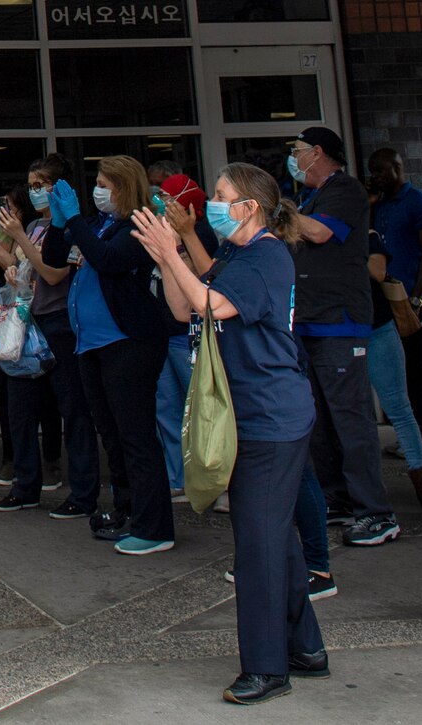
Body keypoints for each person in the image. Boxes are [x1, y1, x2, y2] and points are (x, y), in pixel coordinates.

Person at [132, 162, 327, 705]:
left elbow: (212, 304)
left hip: (270, 416)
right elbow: (183, 307)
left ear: (249, 208)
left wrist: (174, 251)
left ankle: (267, 669)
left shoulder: (266, 256)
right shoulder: (237, 256)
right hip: (251, 416)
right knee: (272, 535)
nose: (210, 203)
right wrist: (167, 257)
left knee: (259, 545)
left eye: (220, 196)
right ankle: (305, 648)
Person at [43, 156, 174, 555]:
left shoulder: (138, 226)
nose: (98, 190)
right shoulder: (100, 226)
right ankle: (127, 510)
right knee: (112, 437)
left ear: (123, 187)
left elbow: (109, 260)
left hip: (128, 344)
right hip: (93, 345)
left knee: (135, 436)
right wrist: (59, 220)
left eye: (104, 184)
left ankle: (155, 527)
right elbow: (52, 256)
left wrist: (76, 223)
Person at [289, 127, 399, 545]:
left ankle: (377, 512)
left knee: (351, 419)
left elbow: (319, 233)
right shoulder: (310, 198)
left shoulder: (345, 190)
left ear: (317, 153)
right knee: (319, 421)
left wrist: (271, 209)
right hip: (311, 322)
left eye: (298, 152)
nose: (294, 159)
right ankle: (339, 500)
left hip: (341, 321)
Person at [0, 154, 99, 517]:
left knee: (72, 409)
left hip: (61, 324)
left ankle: (83, 493)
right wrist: (12, 268)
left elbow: (54, 274)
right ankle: (26, 485)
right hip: (27, 321)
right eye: (31, 185)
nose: (34, 192)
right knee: (21, 408)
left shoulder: (73, 227)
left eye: (39, 186)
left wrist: (18, 236)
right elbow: (27, 269)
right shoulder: (36, 225)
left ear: (59, 187)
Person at [0, 182, 62, 489]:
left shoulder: (30, 231)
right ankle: (12, 459)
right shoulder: (10, 232)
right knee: (9, 394)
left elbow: (18, 266)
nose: (2, 210)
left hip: (33, 313)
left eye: (8, 204)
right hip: (5, 314)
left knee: (43, 393)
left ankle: (50, 461)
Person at [369, 148, 422, 455]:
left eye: (382, 171)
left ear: (398, 169)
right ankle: (415, 433)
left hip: (416, 299)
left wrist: (417, 297)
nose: (376, 177)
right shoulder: (380, 204)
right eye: (373, 171)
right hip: (389, 299)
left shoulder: (418, 203)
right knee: (403, 369)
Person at [151, 174, 219, 501]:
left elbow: (200, 281)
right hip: (164, 331)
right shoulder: (164, 233)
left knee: (200, 412)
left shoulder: (200, 235)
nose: (160, 201)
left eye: (166, 195)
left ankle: (211, 480)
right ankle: (177, 477)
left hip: (187, 336)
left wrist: (177, 246)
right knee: (168, 409)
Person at [365, 230, 422, 510]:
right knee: (356, 414)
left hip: (378, 327)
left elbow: (378, 270)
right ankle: (366, 487)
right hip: (342, 332)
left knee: (399, 405)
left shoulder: (367, 236)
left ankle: (421, 478)